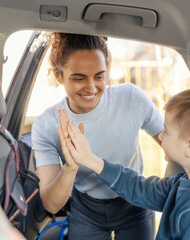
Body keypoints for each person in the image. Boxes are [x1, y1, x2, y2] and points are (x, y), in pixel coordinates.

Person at [31, 33, 164, 240]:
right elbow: (51, 204)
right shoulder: (46, 125)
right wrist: (71, 167)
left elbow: (174, 144)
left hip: (135, 203)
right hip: (87, 211)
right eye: (79, 78)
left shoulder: (131, 98)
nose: (91, 88)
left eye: (99, 76)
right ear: (59, 75)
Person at [59, 87, 190, 239]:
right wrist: (89, 159)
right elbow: (139, 188)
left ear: (189, 148)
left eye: (166, 132)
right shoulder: (182, 182)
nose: (160, 136)